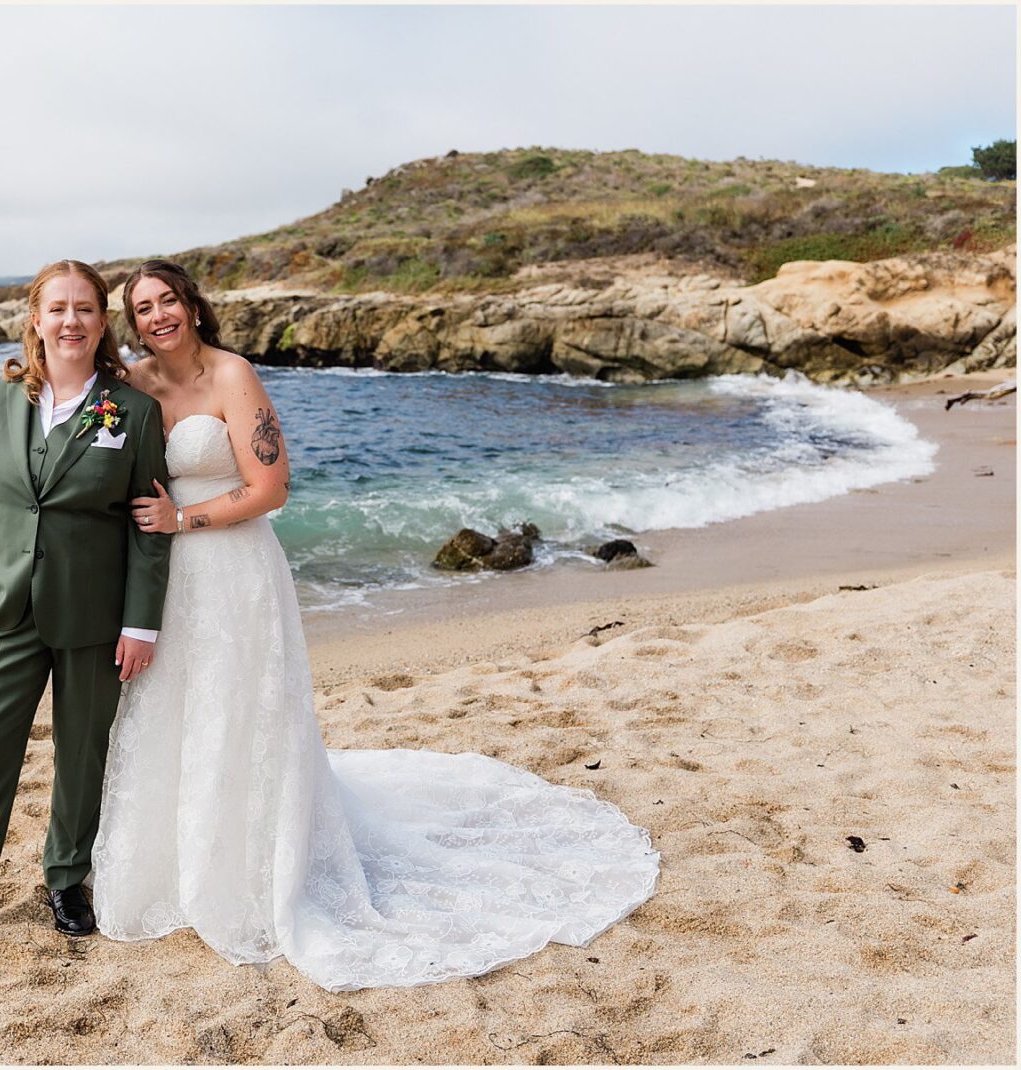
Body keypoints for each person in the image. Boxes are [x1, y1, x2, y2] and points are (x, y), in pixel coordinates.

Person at [90, 259, 660, 991]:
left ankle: (256, 863)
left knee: (244, 711)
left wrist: (183, 518)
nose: (157, 315)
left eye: (167, 300)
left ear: (193, 307)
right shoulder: (133, 386)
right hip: (168, 579)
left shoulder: (234, 377)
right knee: (177, 710)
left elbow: (272, 490)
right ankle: (178, 860)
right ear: (131, 322)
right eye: (142, 308)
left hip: (235, 569)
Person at [0, 260, 170, 953]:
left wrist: (140, 622)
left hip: (96, 614)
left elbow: (149, 526)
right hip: (3, 609)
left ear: (103, 324)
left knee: (82, 751)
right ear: (36, 320)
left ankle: (67, 879)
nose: (71, 321)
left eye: (86, 309)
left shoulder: (134, 411)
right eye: (58, 309)